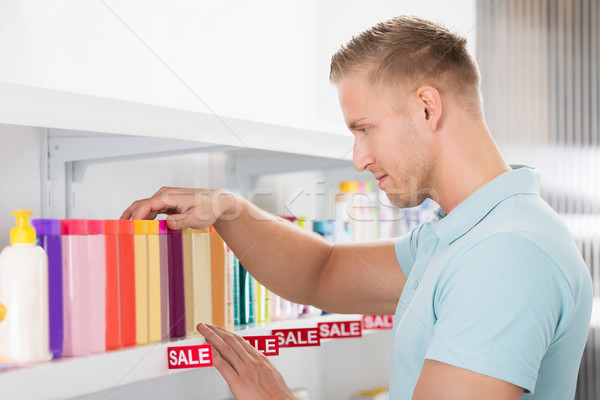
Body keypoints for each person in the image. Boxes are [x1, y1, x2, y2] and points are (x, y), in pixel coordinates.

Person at [122, 16, 593, 400]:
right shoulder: (464, 235)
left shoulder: (505, 253)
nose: (359, 158)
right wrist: (227, 208)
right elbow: (322, 273)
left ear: (427, 108)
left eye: (364, 128)